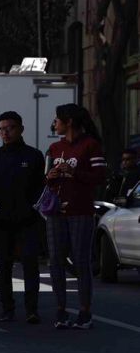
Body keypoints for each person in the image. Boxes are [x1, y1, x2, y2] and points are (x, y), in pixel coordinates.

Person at [0, 111, 45, 324]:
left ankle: (32, 310)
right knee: (3, 266)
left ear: (21, 129)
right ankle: (7, 308)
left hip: (28, 221)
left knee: (30, 264)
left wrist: (32, 208)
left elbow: (43, 186)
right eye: (2, 129)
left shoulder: (34, 155)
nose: (6, 133)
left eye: (10, 128)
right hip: (1, 222)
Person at [46, 104, 107, 329]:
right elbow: (46, 178)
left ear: (69, 121)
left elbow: (100, 177)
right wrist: (51, 175)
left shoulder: (91, 145)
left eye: (57, 119)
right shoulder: (54, 147)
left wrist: (74, 172)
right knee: (55, 260)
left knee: (81, 260)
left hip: (81, 211)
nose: (54, 123)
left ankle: (85, 311)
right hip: (55, 211)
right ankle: (61, 310)